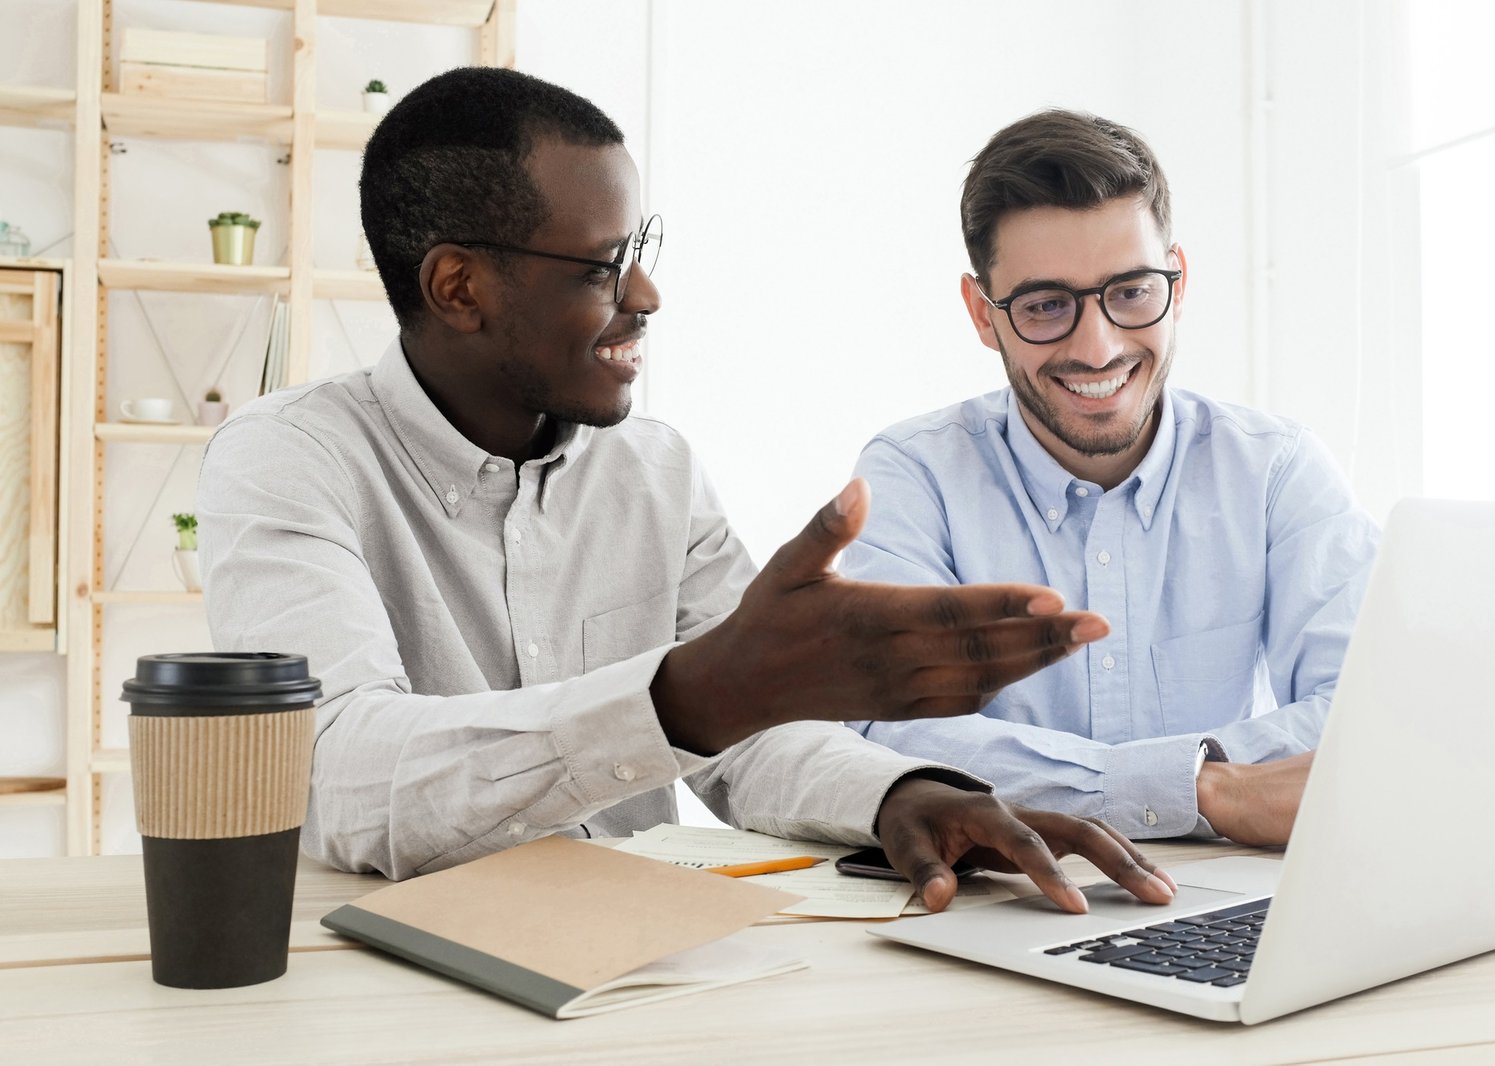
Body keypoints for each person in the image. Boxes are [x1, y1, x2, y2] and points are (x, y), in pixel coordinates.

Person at [195, 68, 1178, 914]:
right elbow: (344, 773)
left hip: (638, 961)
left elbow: (750, 740)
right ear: (459, 289)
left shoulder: (653, 470)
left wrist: (903, 794)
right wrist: (683, 696)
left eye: (643, 248)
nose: (648, 296)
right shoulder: (288, 458)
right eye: (603, 265)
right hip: (387, 983)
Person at [838, 110, 1380, 846]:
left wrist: (1123, 787)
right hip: (1002, 900)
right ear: (982, 314)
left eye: (1130, 291)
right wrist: (1205, 789)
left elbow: (1364, 719)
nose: (1097, 349)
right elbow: (887, 732)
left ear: (1177, 283)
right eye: (1045, 306)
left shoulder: (1276, 470)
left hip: (1228, 896)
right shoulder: (915, 477)